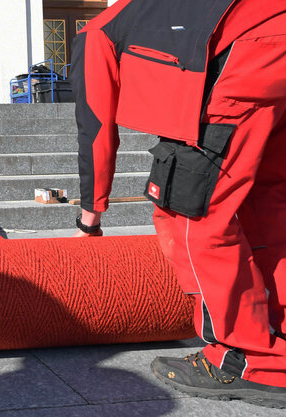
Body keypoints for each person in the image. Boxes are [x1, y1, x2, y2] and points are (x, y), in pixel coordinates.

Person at [71, 0, 286, 408]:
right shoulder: (152, 10)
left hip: (240, 61)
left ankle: (243, 361)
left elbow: (95, 126)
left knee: (192, 215)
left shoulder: (97, 32)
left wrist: (91, 214)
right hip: (273, 47)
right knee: (270, 206)